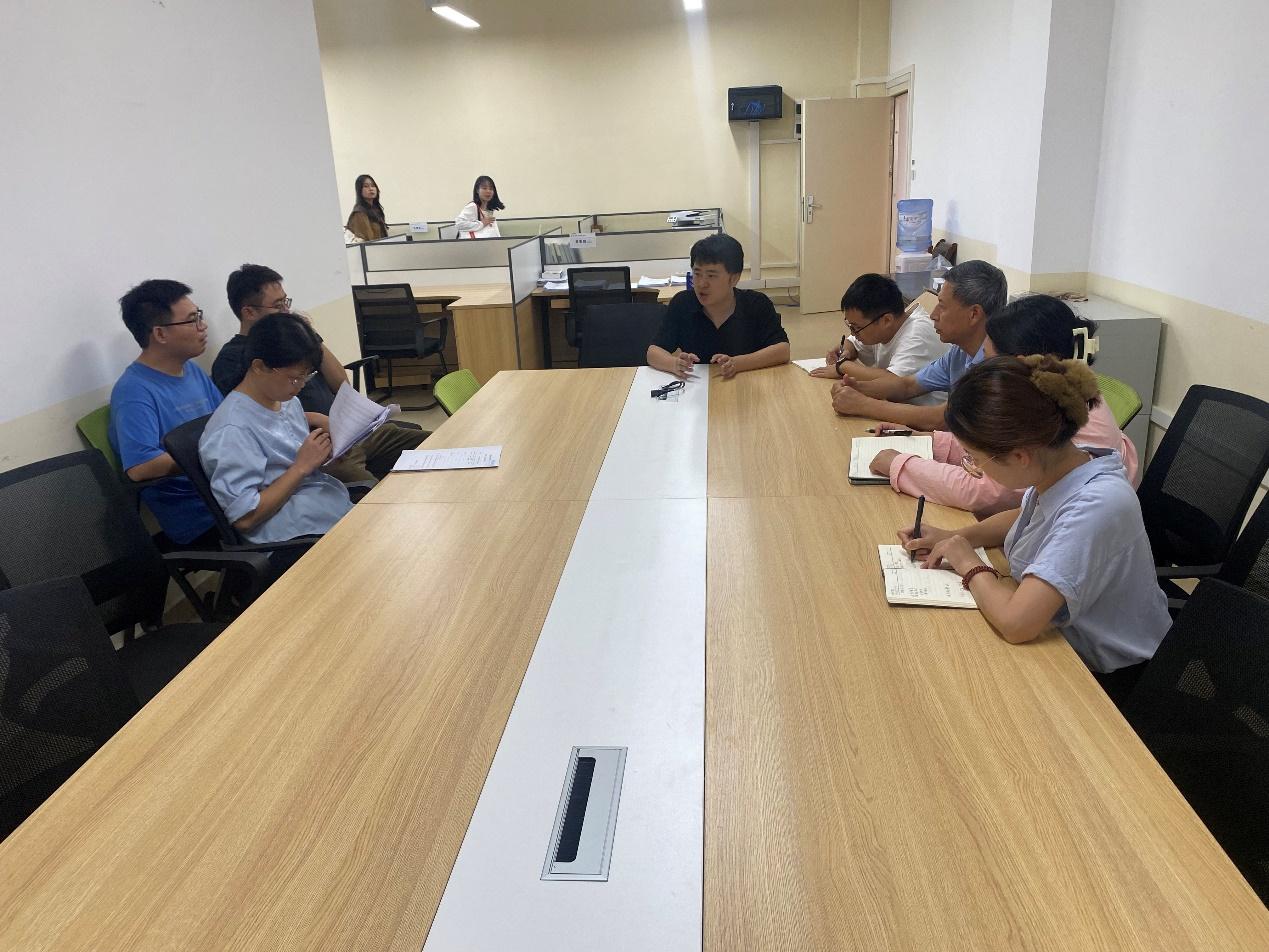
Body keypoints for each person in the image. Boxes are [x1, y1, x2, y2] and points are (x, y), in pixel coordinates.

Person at [897, 355, 1169, 704]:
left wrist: (968, 562)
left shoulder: (1098, 504)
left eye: (974, 459)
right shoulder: (1068, 463)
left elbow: (1016, 623)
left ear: (1019, 456)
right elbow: (1027, 514)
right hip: (1058, 643)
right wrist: (958, 537)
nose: (974, 467)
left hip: (1108, 678)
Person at [869, 294, 1140, 516]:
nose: (980, 368)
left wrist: (900, 465)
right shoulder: (1052, 393)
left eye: (988, 361)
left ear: (1018, 366)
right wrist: (926, 441)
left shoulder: (1057, 423)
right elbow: (989, 450)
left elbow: (985, 491)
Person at [212, 264, 427, 486]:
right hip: (322, 448)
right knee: (376, 494)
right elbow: (259, 418)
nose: (286, 311)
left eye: (286, 302)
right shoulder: (234, 359)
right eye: (278, 306)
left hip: (351, 432)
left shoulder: (292, 338)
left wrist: (309, 337)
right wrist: (316, 419)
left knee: (434, 443)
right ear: (249, 312)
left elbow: (341, 383)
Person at [200, 313, 352, 553]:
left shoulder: (285, 400)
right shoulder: (232, 429)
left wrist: (327, 455)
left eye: (306, 376)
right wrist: (301, 467)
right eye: (294, 378)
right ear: (259, 366)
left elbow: (299, 465)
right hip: (291, 538)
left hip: (323, 511)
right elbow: (244, 518)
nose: (301, 385)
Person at [109, 279, 223, 547]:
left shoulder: (191, 370)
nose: (203, 326)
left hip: (230, 489)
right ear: (160, 334)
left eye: (199, 316)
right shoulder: (134, 391)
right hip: (201, 514)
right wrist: (212, 454)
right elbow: (140, 468)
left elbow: (227, 422)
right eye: (192, 320)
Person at [830, 259, 1007, 430]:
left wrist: (863, 404)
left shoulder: (996, 365)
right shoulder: (959, 352)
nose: (933, 315)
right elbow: (908, 385)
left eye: (942, 306)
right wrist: (857, 388)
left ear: (974, 314)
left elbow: (942, 420)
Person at [646, 233, 790, 380]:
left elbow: (782, 350)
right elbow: (653, 352)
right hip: (698, 387)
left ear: (734, 278)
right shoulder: (683, 303)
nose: (702, 284)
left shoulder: (756, 304)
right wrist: (675, 363)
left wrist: (737, 364)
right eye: (697, 274)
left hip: (747, 384)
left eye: (711, 275)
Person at [809, 273, 947, 407]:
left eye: (856, 327)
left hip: (924, 415)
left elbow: (895, 383)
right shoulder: (886, 326)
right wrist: (846, 351)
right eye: (850, 326)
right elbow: (852, 343)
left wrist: (843, 366)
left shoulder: (917, 335)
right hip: (898, 406)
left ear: (886, 320)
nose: (853, 333)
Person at [345, 174, 387, 241]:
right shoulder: (359, 213)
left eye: (373, 185)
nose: (371, 189)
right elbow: (367, 241)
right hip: (372, 247)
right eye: (366, 186)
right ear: (359, 190)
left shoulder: (376, 210)